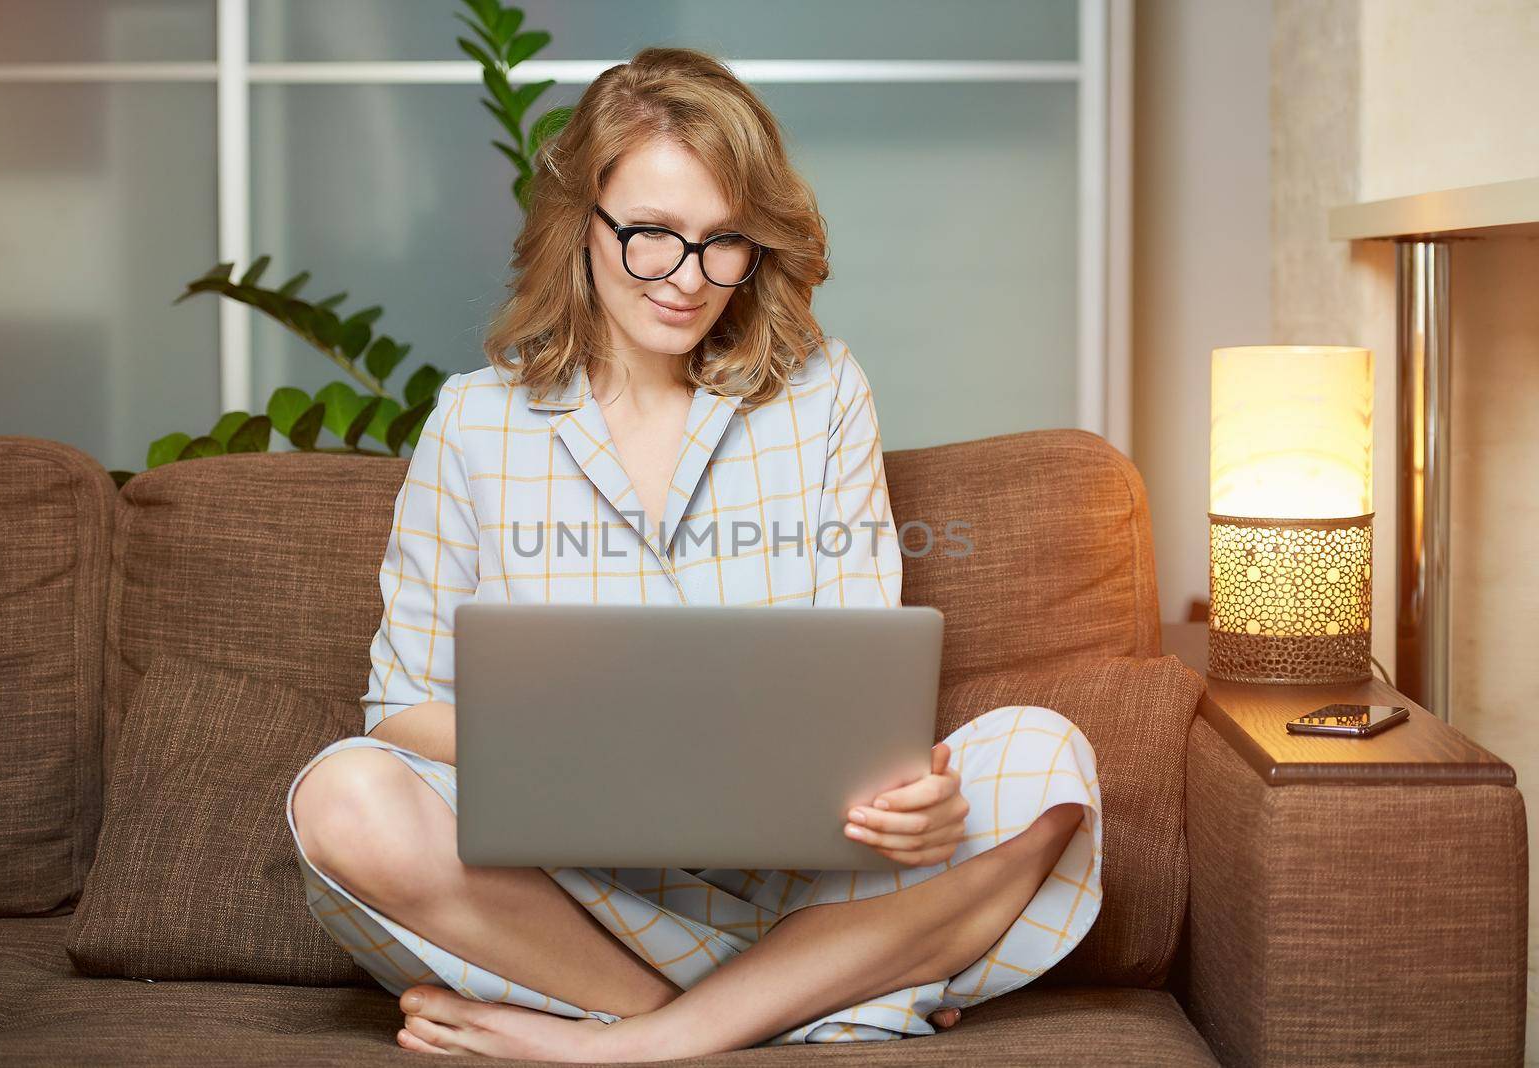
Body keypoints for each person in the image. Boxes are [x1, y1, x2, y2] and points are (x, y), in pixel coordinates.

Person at [285, 46, 1102, 1061]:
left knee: (1046, 761)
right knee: (344, 795)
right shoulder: (474, 422)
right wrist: (593, 750)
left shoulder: (821, 394)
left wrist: (909, 805)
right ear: (580, 222)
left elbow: (856, 679)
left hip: (797, 879)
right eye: (652, 236)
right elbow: (400, 704)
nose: (688, 280)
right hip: (571, 896)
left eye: (723, 243)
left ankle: (628, 1041)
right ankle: (763, 1009)